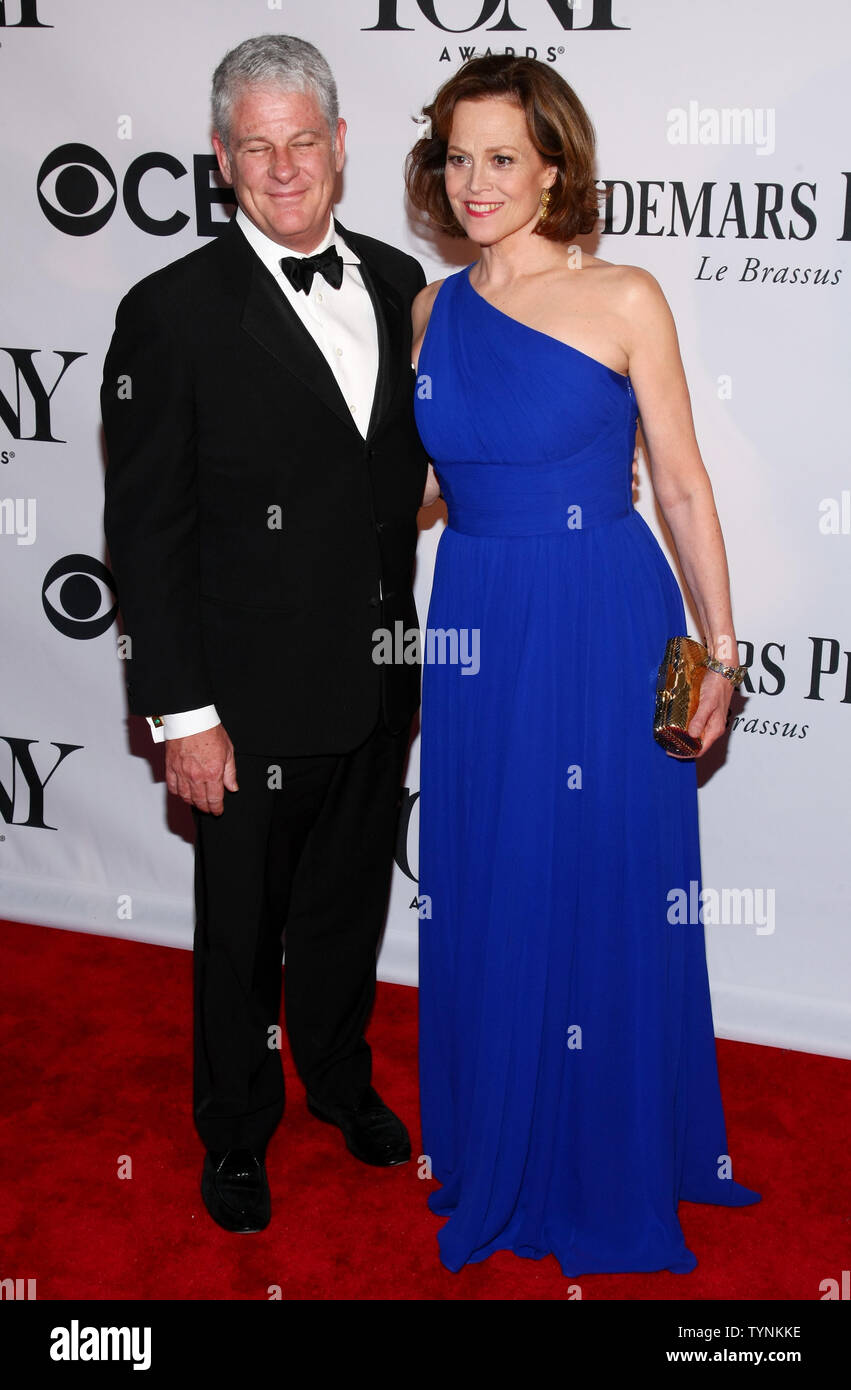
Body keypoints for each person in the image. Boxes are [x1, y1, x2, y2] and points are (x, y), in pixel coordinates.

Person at [407, 54, 760, 1276]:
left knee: (604, 873)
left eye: (501, 156)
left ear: (554, 165)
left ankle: (609, 1157)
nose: (475, 182)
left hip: (601, 618)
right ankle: (497, 1141)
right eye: (457, 156)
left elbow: (677, 482)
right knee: (491, 874)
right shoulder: (430, 311)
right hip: (476, 627)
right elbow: (429, 492)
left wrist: (720, 652)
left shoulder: (623, 297)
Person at [102, 34, 429, 1233]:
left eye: (304, 141)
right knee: (239, 929)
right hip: (239, 701)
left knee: (347, 904)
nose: (283, 167)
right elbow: (145, 532)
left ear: (341, 147)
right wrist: (183, 713)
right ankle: (235, 1128)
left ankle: (341, 1081)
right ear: (222, 158)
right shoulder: (171, 312)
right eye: (257, 146)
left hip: (381, 675)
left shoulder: (405, 287)